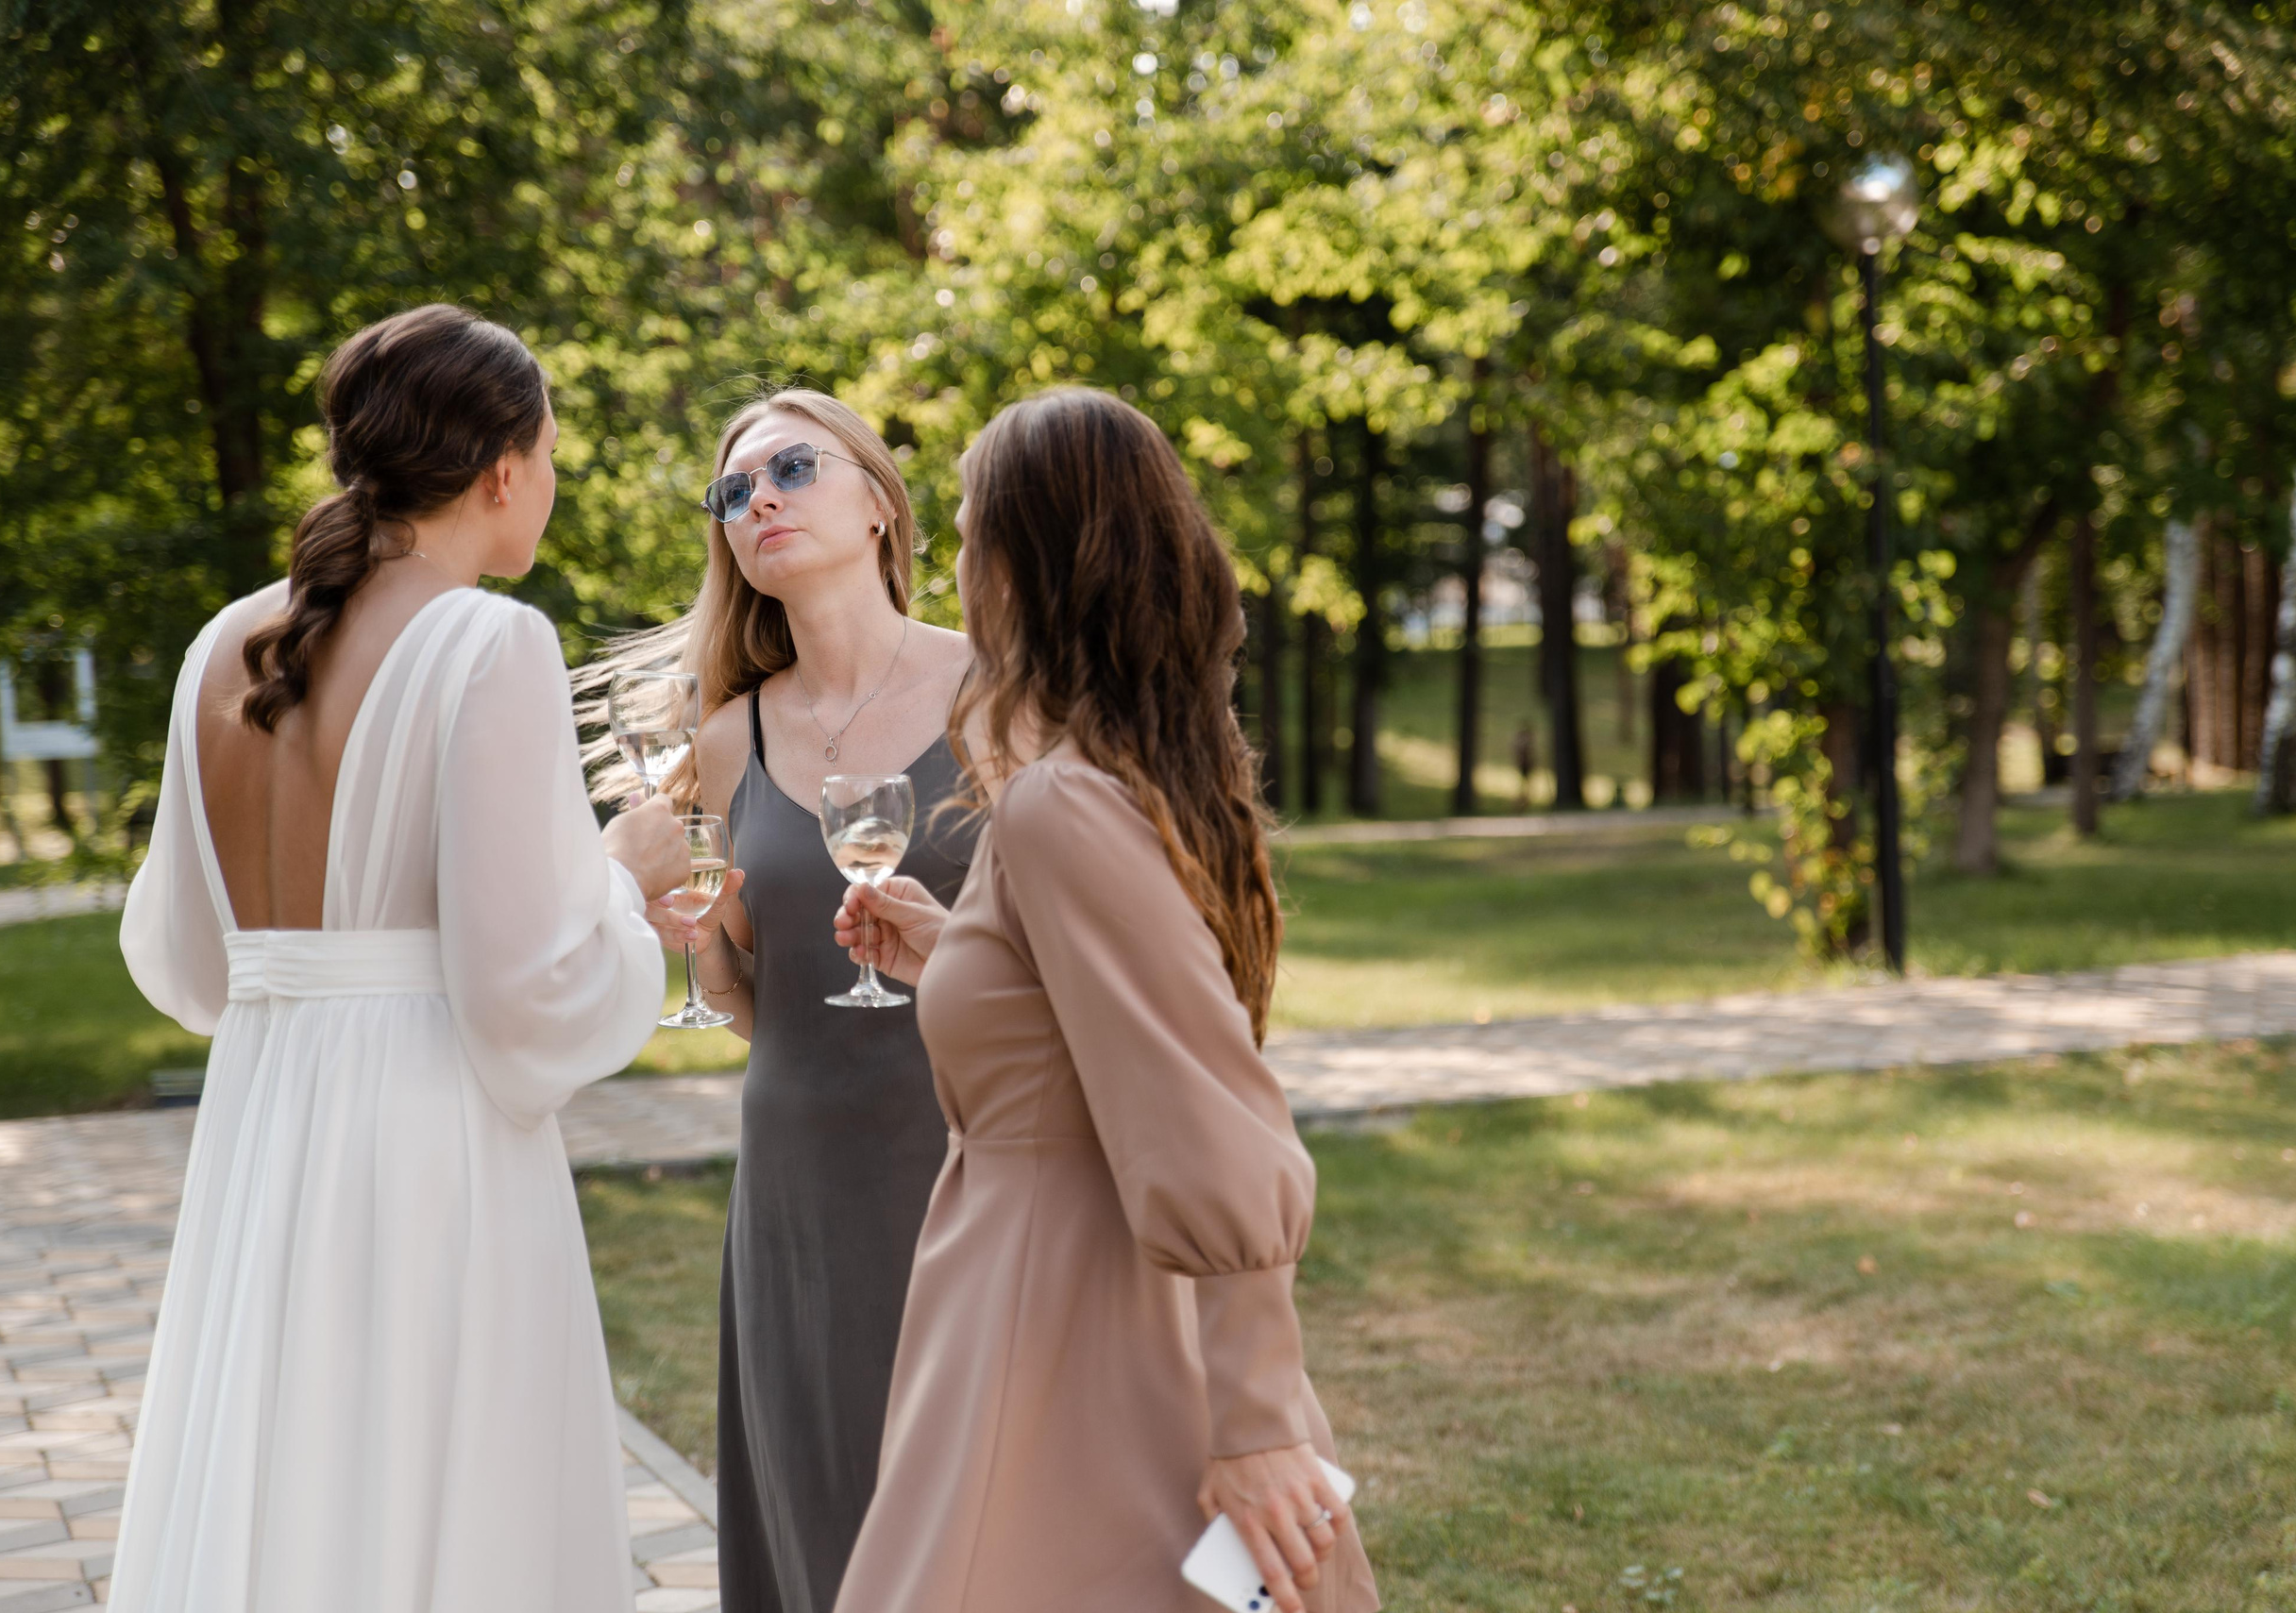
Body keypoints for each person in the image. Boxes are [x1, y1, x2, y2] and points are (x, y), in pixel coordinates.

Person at [112, 305, 690, 1611]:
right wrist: (627, 873)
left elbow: (191, 965)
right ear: (501, 469)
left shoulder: (223, 646)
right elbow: (522, 990)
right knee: (442, 1477)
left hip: (265, 1126)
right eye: (549, 454)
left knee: (285, 1474)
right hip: (433, 1138)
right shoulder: (492, 641)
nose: (549, 481)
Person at [829, 387, 1379, 1613]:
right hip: (1054, 1310)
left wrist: (1259, 1419)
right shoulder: (1104, 780)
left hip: (1058, 1327)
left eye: (973, 533)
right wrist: (954, 951)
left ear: (1027, 566)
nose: (957, 565)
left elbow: (1204, 1101)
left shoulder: (1062, 803)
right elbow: (1088, 1027)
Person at [585, 389, 975, 1613]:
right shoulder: (723, 740)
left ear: (877, 502)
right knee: (826, 1518)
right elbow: (755, 993)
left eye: (792, 469)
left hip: (978, 1159)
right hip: (802, 1180)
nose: (758, 498)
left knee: (980, 1518)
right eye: (733, 489)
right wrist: (694, 951)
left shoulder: (996, 691)